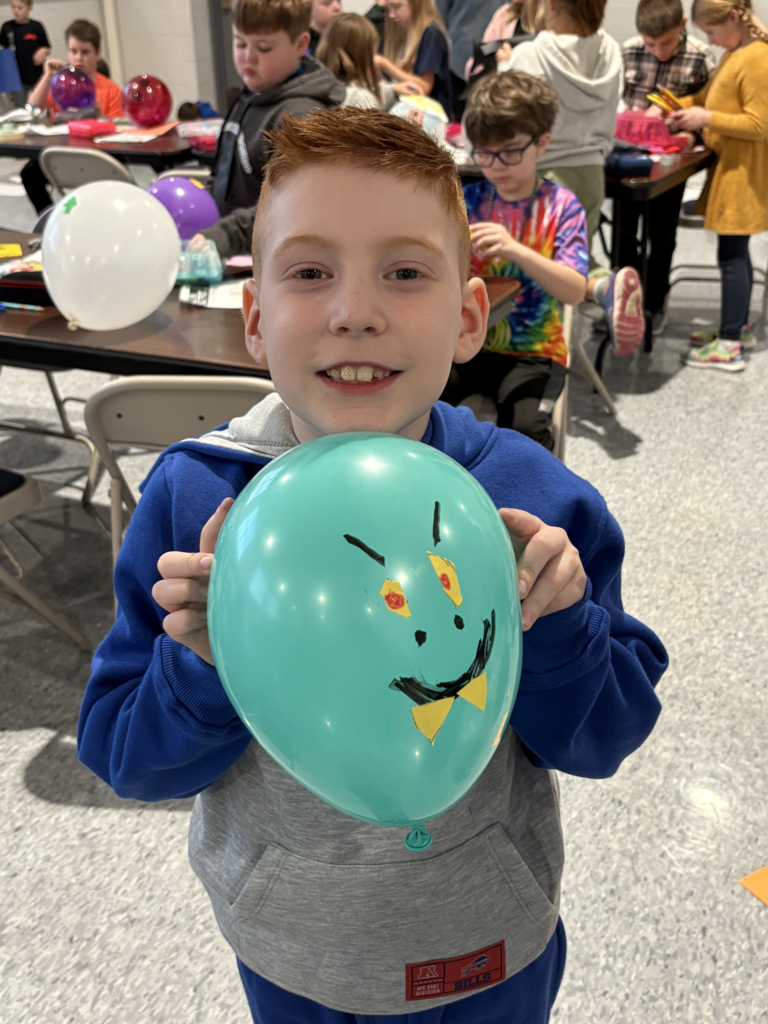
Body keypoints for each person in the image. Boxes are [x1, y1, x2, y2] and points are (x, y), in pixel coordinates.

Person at [77, 106, 667, 1024]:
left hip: (487, 945)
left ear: (468, 318)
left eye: (405, 272)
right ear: (256, 320)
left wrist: (559, 630)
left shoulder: (530, 501)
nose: (355, 312)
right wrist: (198, 667)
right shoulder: (197, 500)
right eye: (310, 273)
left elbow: (608, 738)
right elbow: (125, 754)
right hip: (290, 950)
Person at [441, 71, 587, 450]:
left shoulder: (561, 205)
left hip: (534, 351)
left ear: (541, 143)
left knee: (526, 432)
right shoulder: (466, 200)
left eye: (509, 152)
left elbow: (574, 290)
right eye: (484, 153)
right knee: (418, 407)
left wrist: (516, 249)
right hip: (468, 343)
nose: (496, 166)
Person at [499, 0, 645, 357]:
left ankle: (538, 350)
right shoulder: (610, 50)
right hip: (592, 173)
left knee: (537, 266)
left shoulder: (530, 54)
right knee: (571, 256)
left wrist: (505, 66)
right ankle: (602, 287)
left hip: (543, 175)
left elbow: (505, 117)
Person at [669, 0, 768, 371]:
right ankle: (736, 329)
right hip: (731, 169)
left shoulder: (757, 59)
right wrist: (673, 106)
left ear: (733, 18)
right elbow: (707, 97)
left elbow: (759, 124)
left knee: (731, 257)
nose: (709, 40)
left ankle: (728, 345)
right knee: (735, 252)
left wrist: (706, 118)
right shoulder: (734, 54)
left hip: (743, 174)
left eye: (711, 32)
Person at [618, 0, 715, 335]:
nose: (658, 52)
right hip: (629, 159)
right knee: (623, 234)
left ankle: (655, 303)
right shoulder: (628, 51)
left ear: (683, 25)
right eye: (650, 44)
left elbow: (710, 110)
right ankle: (623, 303)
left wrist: (692, 135)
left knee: (661, 236)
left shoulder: (700, 57)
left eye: (667, 43)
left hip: (673, 164)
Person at [208, 0, 345, 220]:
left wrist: (225, 234)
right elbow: (223, 177)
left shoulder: (301, 118)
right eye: (240, 44)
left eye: (264, 48)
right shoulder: (249, 96)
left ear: (300, 44)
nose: (248, 58)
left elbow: (292, 208)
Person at [21, 19, 123, 214]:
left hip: (98, 158)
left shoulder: (110, 89)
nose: (78, 58)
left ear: (98, 54)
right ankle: (51, 220)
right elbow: (32, 108)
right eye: (73, 51)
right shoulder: (60, 85)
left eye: (85, 52)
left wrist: (100, 116)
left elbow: (121, 131)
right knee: (30, 174)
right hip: (64, 155)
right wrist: (47, 76)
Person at [317, 12, 420, 107]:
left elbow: (364, 89)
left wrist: (393, 90)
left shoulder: (324, 86)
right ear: (361, 57)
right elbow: (365, 99)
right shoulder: (362, 99)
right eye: (373, 55)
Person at [375, 0, 453, 118]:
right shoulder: (411, 34)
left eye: (396, 7)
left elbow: (423, 87)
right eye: (388, 9)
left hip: (431, 118)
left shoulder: (432, 34)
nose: (391, 15)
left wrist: (385, 64)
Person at [0, 0, 49, 106]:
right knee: (19, 107)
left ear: (29, 8)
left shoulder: (37, 26)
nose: (16, 11)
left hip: (35, 74)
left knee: (39, 105)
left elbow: (46, 46)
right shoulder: (7, 27)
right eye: (13, 7)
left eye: (20, 8)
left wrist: (43, 51)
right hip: (17, 78)